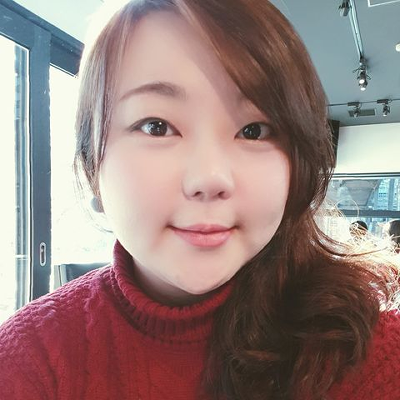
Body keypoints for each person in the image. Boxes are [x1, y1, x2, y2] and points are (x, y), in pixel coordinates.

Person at [1, 0, 399, 399]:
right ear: (93, 164)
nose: (210, 178)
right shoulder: (28, 359)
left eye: (254, 130)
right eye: (156, 126)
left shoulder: (369, 353)